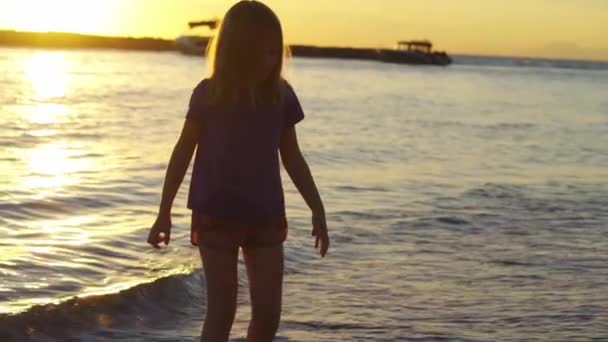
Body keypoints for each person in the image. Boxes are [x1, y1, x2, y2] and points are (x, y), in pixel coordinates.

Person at [146, 1, 330, 341]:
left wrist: (317, 209)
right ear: (234, 52)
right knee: (222, 313)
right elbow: (182, 152)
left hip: (265, 215)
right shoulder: (209, 94)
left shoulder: (281, 97)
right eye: (258, 53)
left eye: (273, 52)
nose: (268, 61)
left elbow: (293, 157)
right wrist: (163, 213)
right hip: (215, 216)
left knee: (268, 318)